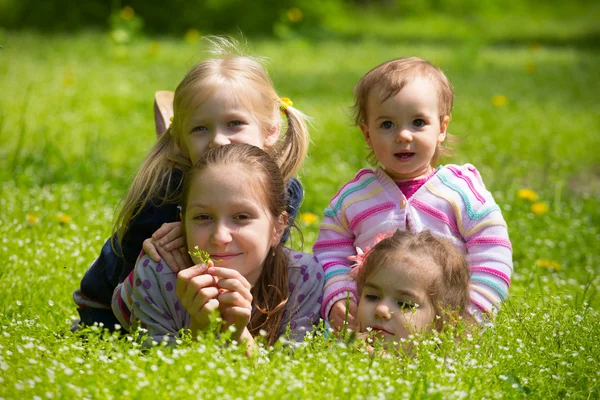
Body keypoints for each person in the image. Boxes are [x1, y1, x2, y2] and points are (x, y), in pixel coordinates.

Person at [74, 37, 310, 330]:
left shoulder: (284, 188)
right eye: (200, 128)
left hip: (200, 296)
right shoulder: (164, 192)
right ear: (182, 141)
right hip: (113, 307)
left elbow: (262, 257)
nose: (217, 139)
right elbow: (136, 276)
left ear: (270, 131)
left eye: (234, 123)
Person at [313, 56, 512, 330]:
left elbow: (493, 251)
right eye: (387, 125)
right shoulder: (354, 198)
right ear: (367, 134)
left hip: (447, 325)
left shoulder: (461, 191)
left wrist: (473, 313)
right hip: (374, 324)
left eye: (418, 122)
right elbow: (330, 253)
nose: (403, 135)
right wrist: (339, 295)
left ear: (441, 128)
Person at [112, 144, 323, 346]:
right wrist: (201, 329)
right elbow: (156, 370)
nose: (220, 237)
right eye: (203, 217)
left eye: (241, 217)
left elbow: (292, 374)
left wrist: (240, 335)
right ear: (183, 222)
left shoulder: (301, 278)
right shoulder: (157, 276)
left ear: (278, 227)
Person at [354, 230, 472, 347]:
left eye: (404, 304)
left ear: (445, 323)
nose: (381, 309)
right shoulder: (345, 352)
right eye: (372, 296)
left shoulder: (441, 365)